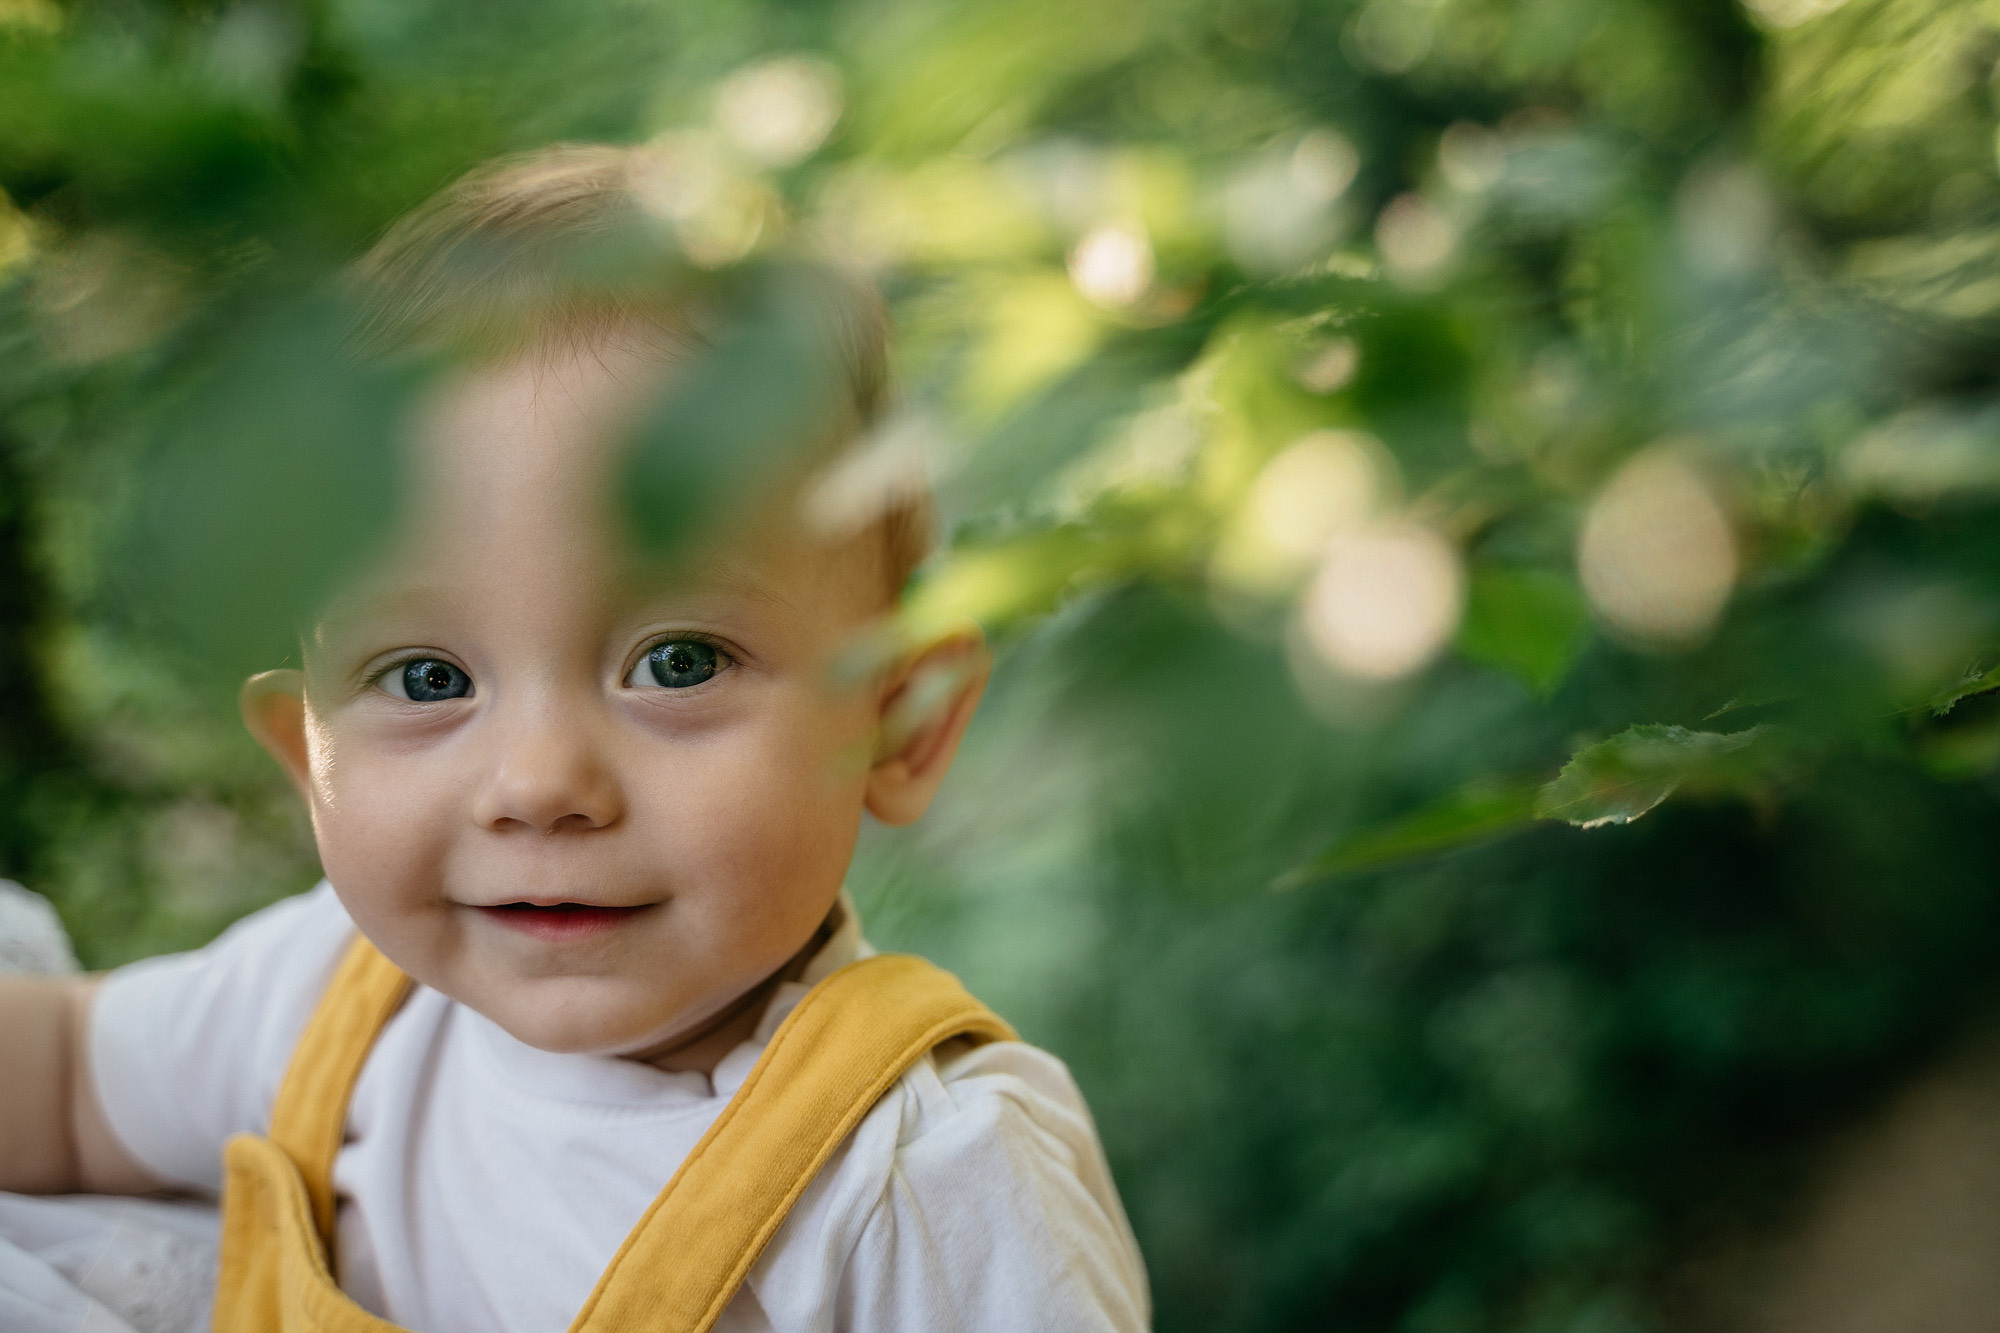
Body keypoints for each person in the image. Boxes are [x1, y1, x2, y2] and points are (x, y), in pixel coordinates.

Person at [0, 144, 1150, 1333]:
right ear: (309, 756)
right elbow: (68, 1082)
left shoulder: (926, 1183)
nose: (540, 782)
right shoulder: (328, 999)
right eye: (428, 677)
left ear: (899, 724)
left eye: (678, 661)